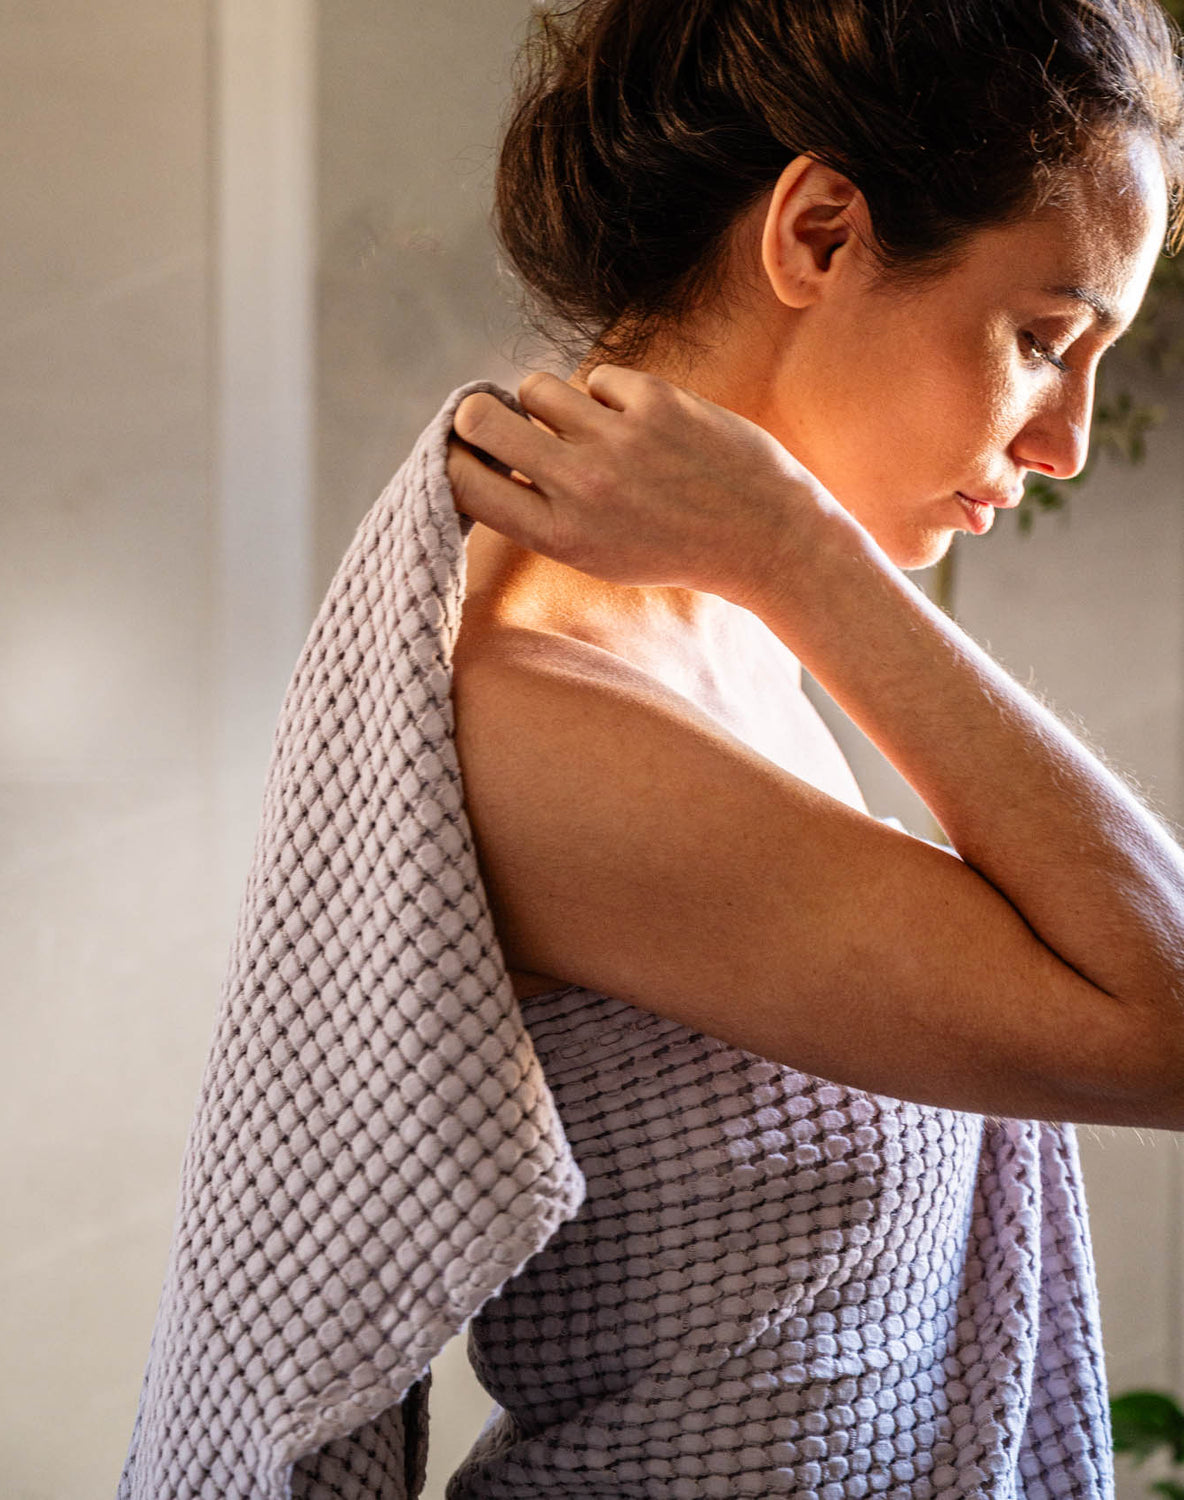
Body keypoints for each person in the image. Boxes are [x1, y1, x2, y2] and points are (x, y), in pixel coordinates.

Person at [436, 0, 1184, 1494]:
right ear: (823, 233)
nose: (1067, 442)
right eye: (1045, 338)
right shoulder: (549, 711)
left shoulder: (712, 639)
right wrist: (805, 551)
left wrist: (788, 568)